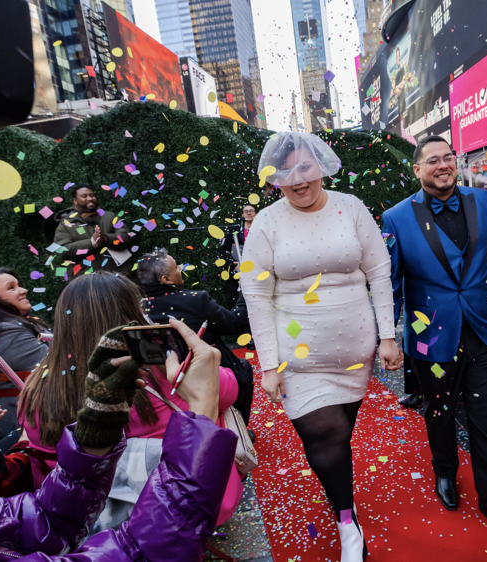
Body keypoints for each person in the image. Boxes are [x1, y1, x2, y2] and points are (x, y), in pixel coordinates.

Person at [241, 131, 401, 561]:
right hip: (299, 357)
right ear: (273, 178)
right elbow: (255, 294)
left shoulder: (351, 206)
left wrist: (388, 335)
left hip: (355, 349)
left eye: (304, 167)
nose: (297, 179)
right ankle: (347, 522)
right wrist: (269, 364)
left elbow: (379, 270)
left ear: (321, 166)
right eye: (285, 171)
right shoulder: (267, 222)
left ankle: (342, 500)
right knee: (323, 433)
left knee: (341, 434)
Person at [0, 318, 240, 562]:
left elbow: (44, 520)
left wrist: (95, 433)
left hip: (103, 516)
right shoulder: (161, 373)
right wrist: (202, 408)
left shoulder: (37, 388)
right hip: (198, 496)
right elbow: (145, 552)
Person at [383, 135, 487, 546]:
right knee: (439, 411)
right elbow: (392, 283)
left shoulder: (485, 201)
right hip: (430, 338)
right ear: (417, 169)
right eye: (433, 160)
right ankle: (444, 471)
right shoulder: (395, 217)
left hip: (484, 330)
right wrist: (387, 337)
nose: (443, 165)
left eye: (448, 157)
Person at [138, 248, 255, 427]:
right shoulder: (196, 299)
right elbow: (236, 323)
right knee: (245, 369)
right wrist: (245, 287)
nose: (181, 269)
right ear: (166, 280)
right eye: (176, 267)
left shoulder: (140, 309)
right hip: (214, 377)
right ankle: (240, 429)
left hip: (165, 387)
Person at [0, 268, 49, 441]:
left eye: (20, 286)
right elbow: (59, 364)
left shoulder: (17, 324)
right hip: (23, 426)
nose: (23, 291)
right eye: (11, 288)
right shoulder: (5, 332)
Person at [53, 185, 131, 273]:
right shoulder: (66, 225)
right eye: (84, 196)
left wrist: (106, 239)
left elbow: (126, 238)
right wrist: (92, 243)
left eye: (92, 195)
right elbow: (62, 250)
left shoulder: (110, 216)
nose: (90, 198)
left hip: (118, 276)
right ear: (75, 201)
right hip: (86, 281)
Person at [219, 204, 257, 300]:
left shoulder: (260, 230)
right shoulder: (233, 231)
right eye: (246, 211)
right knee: (236, 301)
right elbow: (223, 250)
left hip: (256, 271)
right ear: (242, 215)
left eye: (251, 210)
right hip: (235, 272)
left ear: (256, 214)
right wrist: (234, 262)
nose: (248, 212)